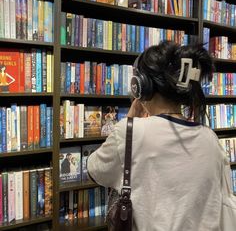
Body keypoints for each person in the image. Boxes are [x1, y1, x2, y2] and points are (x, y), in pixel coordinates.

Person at [87, 41, 232, 231]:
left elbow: (94, 171)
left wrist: (131, 119)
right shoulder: (210, 138)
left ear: (141, 86)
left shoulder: (129, 133)